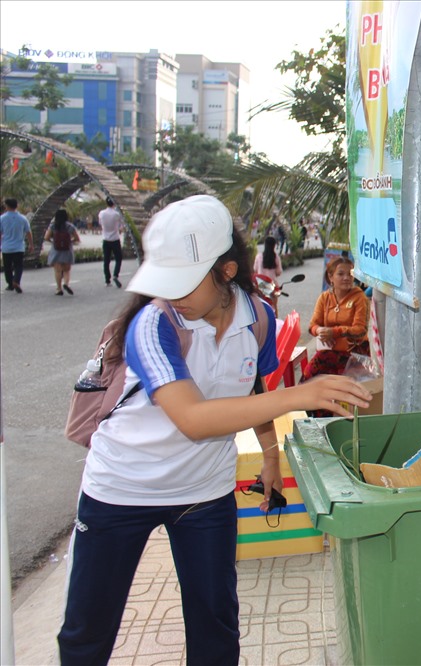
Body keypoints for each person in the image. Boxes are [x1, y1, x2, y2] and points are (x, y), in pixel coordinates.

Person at [57, 195, 372, 665]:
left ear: (226, 271)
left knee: (216, 627)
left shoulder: (259, 319)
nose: (172, 293)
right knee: (89, 629)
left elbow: (253, 393)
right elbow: (193, 419)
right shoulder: (152, 323)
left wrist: (269, 456)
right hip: (121, 489)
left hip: (204, 494)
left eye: (183, 281)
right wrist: (301, 395)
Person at [304, 256, 370, 381]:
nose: (346, 278)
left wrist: (334, 332)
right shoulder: (324, 298)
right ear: (330, 277)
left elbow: (360, 330)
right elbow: (312, 326)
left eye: (350, 274)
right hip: (328, 353)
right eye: (340, 274)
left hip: (354, 354)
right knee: (308, 381)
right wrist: (320, 331)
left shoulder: (359, 297)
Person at [43, 208, 81, 295]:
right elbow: (77, 239)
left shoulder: (53, 226)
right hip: (67, 250)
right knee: (67, 270)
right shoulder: (70, 226)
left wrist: (53, 241)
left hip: (56, 250)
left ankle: (59, 288)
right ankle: (66, 284)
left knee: (57, 271)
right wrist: (70, 241)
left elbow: (46, 238)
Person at [1, 198, 34, 294]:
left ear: (7, 206)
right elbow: (28, 232)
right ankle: (16, 280)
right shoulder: (23, 218)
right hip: (19, 247)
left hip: (6, 247)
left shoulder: (2, 218)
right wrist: (31, 244)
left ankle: (10, 284)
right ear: (17, 206)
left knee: (7, 267)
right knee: (18, 266)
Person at [99, 196, 125, 287]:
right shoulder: (116, 214)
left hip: (106, 239)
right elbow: (121, 226)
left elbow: (100, 224)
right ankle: (115, 275)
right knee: (118, 258)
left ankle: (107, 280)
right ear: (114, 203)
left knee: (106, 260)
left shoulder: (101, 213)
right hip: (115, 239)